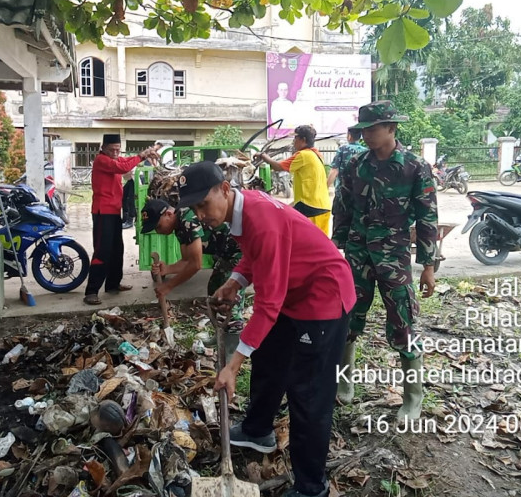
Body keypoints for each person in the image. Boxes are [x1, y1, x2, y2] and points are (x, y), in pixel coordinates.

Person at [178, 161, 355, 497]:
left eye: (203, 204)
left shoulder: (262, 220)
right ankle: (259, 430)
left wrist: (232, 366)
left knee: (309, 395)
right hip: (294, 291)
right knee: (270, 360)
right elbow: (254, 256)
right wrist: (235, 282)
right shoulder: (242, 211)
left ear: (226, 190)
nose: (201, 215)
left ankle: (311, 487)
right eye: (194, 208)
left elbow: (268, 304)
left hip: (323, 299)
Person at [332, 101, 438, 415]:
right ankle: (343, 384)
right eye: (363, 130)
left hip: (394, 257)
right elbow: (343, 208)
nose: (366, 136)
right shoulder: (355, 165)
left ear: (391, 128)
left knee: (403, 323)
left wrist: (429, 266)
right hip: (357, 255)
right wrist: (336, 250)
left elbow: (428, 218)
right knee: (346, 319)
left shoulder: (414, 166)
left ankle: (412, 398)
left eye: (372, 129)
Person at [140, 198, 245, 350]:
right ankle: (221, 335)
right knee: (214, 289)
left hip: (240, 250)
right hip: (227, 253)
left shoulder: (186, 219)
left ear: (168, 214)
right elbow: (187, 260)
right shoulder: (179, 225)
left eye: (158, 226)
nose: (158, 231)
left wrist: (169, 286)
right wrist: (167, 269)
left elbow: (196, 264)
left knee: (228, 296)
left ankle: (233, 347)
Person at [84, 134, 159, 305]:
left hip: (114, 211)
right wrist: (142, 155)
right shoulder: (102, 160)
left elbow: (127, 163)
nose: (116, 152)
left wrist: (145, 155)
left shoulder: (115, 158)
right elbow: (121, 167)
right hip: (102, 212)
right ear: (103, 148)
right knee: (102, 250)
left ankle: (112, 284)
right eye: (112, 150)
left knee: (117, 249)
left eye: (118, 149)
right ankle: (91, 291)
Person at [256, 125, 332, 236]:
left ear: (303, 140)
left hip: (311, 207)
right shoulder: (317, 154)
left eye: (295, 138)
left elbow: (278, 166)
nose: (294, 141)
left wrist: (263, 156)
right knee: (320, 244)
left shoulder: (303, 155)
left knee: (304, 243)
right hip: (323, 206)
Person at [327, 127, 367, 234]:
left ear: (349, 136)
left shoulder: (343, 149)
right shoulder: (366, 152)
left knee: (339, 226)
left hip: (342, 195)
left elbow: (334, 171)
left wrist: (325, 186)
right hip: (360, 196)